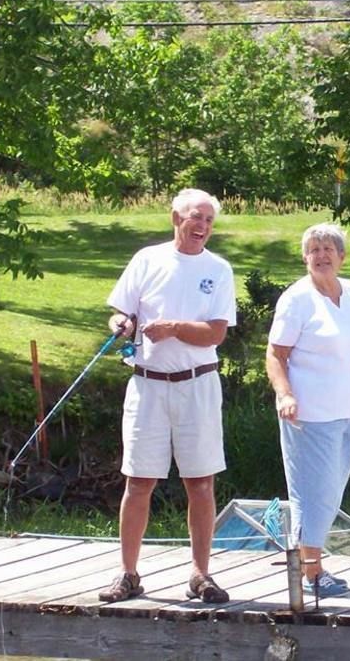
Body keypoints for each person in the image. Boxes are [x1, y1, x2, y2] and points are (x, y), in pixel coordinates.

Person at [98, 188, 237, 604]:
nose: (203, 227)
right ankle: (127, 574)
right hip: (147, 384)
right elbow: (119, 313)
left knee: (201, 482)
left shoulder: (219, 268)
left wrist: (174, 327)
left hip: (198, 384)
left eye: (210, 221)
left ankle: (200, 574)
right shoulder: (147, 259)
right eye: (197, 218)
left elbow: (216, 333)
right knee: (138, 481)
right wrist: (121, 324)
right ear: (176, 217)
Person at [265, 223, 350, 598]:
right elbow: (275, 354)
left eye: (328, 249)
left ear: (342, 257)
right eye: (314, 250)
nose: (321, 255)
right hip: (310, 413)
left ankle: (311, 565)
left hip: (349, 409)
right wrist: (284, 394)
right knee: (312, 492)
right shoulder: (296, 299)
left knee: (332, 490)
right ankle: (311, 572)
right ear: (305, 257)